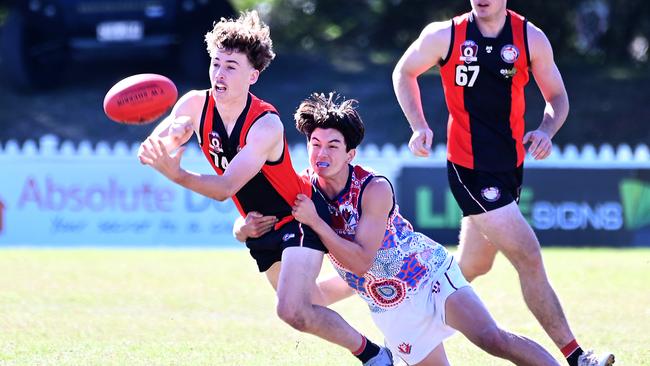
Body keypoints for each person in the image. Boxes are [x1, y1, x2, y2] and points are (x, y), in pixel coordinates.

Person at [137, 11, 392, 365]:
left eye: (230, 66)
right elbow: (154, 145)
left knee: (292, 311)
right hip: (260, 226)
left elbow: (226, 186)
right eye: (215, 64)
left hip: (298, 214)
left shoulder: (266, 124)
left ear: (252, 75)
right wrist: (163, 140)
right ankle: (362, 280)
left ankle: (376, 356)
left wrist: (177, 174)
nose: (219, 74)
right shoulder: (193, 105)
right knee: (310, 303)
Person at [237, 92, 563, 365]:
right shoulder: (303, 190)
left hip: (426, 275)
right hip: (387, 303)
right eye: (315, 144)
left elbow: (362, 261)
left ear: (350, 153)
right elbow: (258, 216)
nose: (321, 153)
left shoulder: (374, 188)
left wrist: (316, 223)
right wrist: (243, 229)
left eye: (333, 146)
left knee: (491, 339)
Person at [391, 1, 614, 365]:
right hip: (469, 170)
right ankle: (578, 356)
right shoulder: (444, 35)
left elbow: (557, 97)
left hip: (509, 169)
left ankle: (404, 323)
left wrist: (546, 129)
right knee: (528, 254)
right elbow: (404, 72)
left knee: (473, 265)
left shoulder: (530, 39)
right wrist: (418, 125)